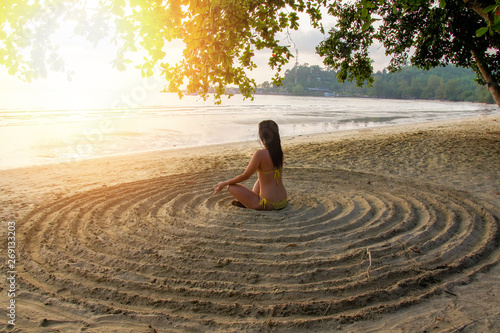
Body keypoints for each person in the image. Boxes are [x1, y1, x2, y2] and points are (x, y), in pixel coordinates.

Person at [213, 120, 288, 210]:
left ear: (262, 136)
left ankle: (247, 203)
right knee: (262, 179)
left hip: (268, 204)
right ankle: (248, 201)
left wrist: (224, 183)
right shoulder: (280, 153)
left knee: (231, 186)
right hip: (283, 201)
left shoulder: (260, 154)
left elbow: (245, 176)